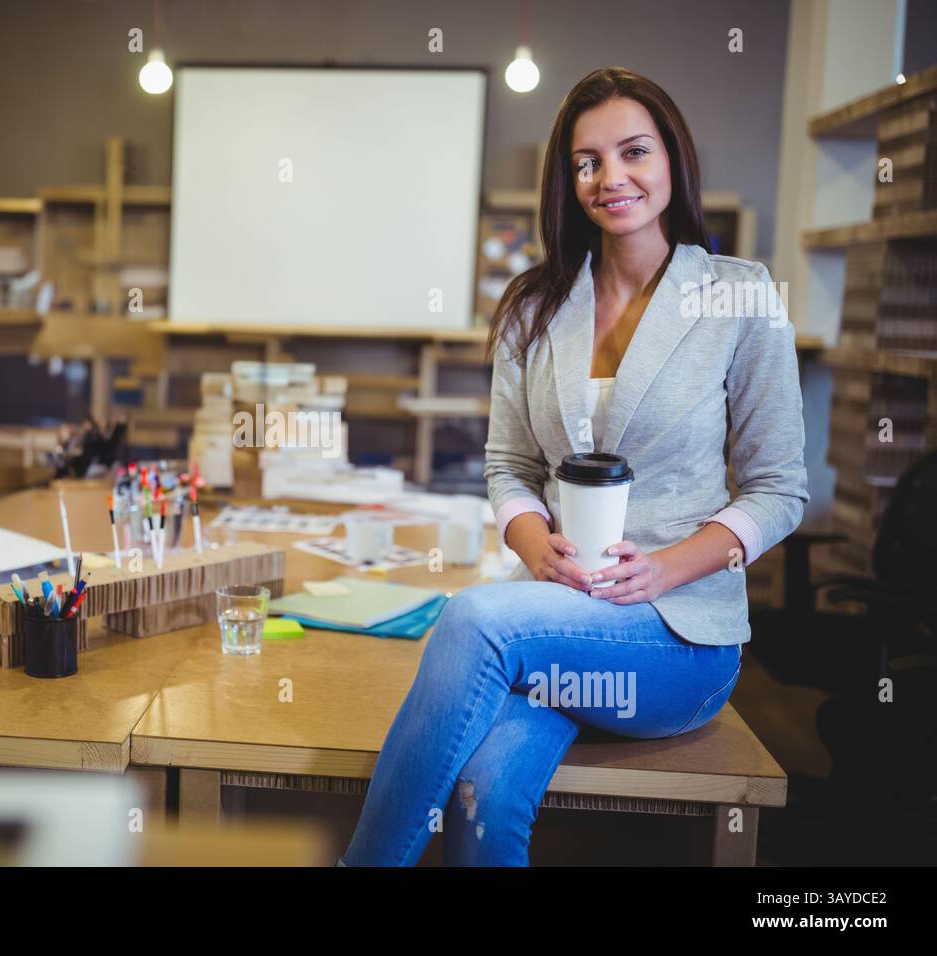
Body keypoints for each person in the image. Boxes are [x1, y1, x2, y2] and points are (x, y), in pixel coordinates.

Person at [340, 67, 808, 866]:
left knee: (475, 618)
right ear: (568, 181)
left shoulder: (740, 295)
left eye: (633, 152)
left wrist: (663, 569)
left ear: (672, 161)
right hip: (556, 624)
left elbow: (779, 491)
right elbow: (509, 465)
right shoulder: (535, 305)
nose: (610, 177)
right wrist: (530, 543)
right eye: (587, 162)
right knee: (481, 795)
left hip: (678, 639)